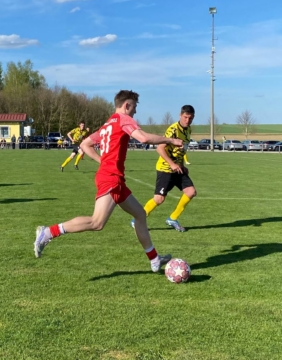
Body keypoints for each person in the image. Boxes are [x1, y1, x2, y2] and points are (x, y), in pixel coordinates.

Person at [34, 90, 183, 272]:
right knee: (97, 222)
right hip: (111, 178)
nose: (135, 112)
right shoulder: (123, 119)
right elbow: (143, 138)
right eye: (134, 107)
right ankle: (48, 232)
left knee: (140, 214)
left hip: (113, 177)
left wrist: (102, 161)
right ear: (126, 105)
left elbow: (85, 144)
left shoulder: (107, 124)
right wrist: (170, 140)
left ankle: (154, 259)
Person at [132, 105, 197, 233]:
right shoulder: (173, 130)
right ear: (180, 115)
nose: (187, 120)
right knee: (159, 199)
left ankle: (172, 219)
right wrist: (172, 164)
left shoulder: (188, 130)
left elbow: (181, 150)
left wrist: (182, 165)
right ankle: (136, 220)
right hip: (165, 168)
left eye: (190, 118)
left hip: (177, 168)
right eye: (185, 117)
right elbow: (160, 148)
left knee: (190, 192)